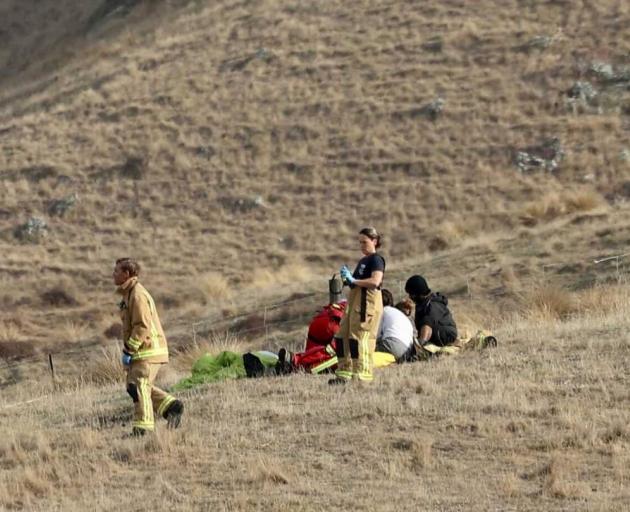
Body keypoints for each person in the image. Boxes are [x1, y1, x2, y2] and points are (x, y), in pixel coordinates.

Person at [113, 258, 184, 436]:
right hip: (142, 350)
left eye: (116, 271)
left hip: (149, 350)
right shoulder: (128, 294)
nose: (112, 275)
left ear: (127, 274)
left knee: (139, 386)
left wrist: (130, 349)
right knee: (133, 386)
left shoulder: (137, 295)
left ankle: (142, 429)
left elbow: (142, 326)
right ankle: (171, 407)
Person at [329, 227, 385, 385]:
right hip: (354, 302)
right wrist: (348, 279)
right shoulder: (363, 261)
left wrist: (353, 281)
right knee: (342, 336)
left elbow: (375, 282)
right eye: (359, 242)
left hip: (367, 304)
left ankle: (362, 376)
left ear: (374, 241)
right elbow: (356, 284)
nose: (361, 245)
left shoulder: (376, 260)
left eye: (365, 242)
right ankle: (344, 373)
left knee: (360, 338)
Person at [276, 301, 347, 375]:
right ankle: (295, 364)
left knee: (311, 355)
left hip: (320, 320)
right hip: (334, 322)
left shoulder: (353, 297)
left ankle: (291, 359)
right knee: (335, 352)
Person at [404, 275, 457, 358]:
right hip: (438, 332)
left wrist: (420, 345)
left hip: (446, 335)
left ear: (418, 293)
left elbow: (427, 326)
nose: (410, 297)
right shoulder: (423, 303)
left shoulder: (431, 305)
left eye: (412, 294)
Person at [375, 289, 414, 362]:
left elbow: (376, 336)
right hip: (407, 352)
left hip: (393, 346)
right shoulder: (398, 314)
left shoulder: (383, 311)